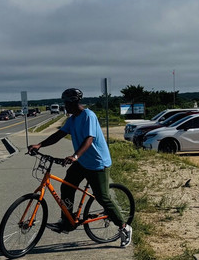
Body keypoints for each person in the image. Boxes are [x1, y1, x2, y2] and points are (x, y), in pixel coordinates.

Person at [28, 87, 132, 248]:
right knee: (67, 187)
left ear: (75, 102)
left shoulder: (88, 116)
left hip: (98, 163)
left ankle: (124, 227)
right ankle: (68, 222)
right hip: (82, 162)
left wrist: (75, 156)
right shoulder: (72, 119)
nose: (65, 106)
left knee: (102, 196)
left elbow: (89, 139)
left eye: (67, 103)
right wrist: (40, 145)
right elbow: (59, 135)